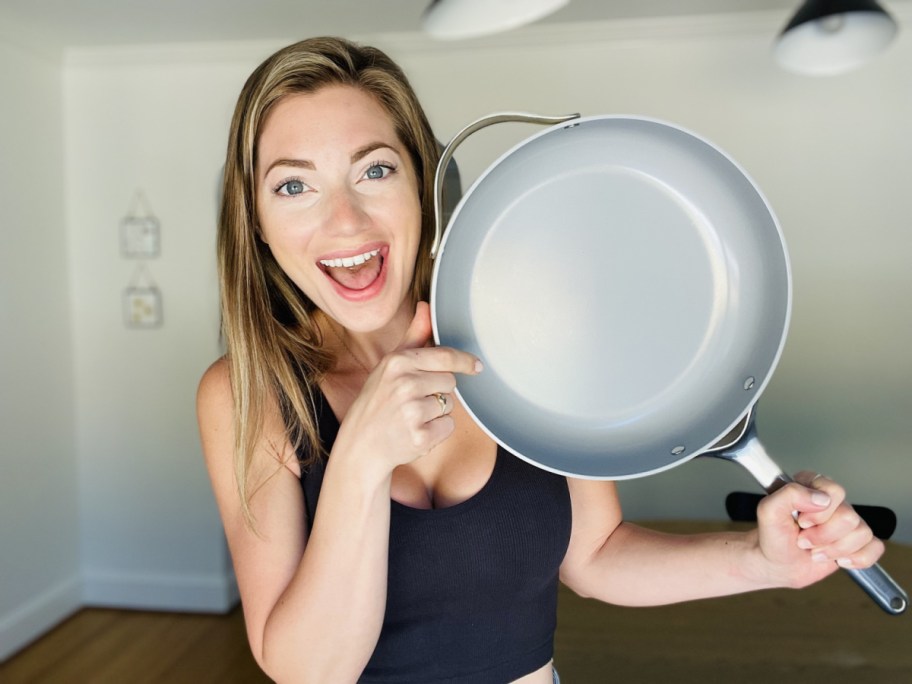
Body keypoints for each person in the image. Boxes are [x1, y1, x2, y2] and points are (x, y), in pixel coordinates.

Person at [197, 36, 884, 684]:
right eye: (294, 186)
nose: (345, 220)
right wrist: (359, 463)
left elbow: (595, 555)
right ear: (255, 220)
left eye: (376, 170)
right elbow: (310, 672)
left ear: (424, 188)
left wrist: (762, 561)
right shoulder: (248, 393)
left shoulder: (524, 341)